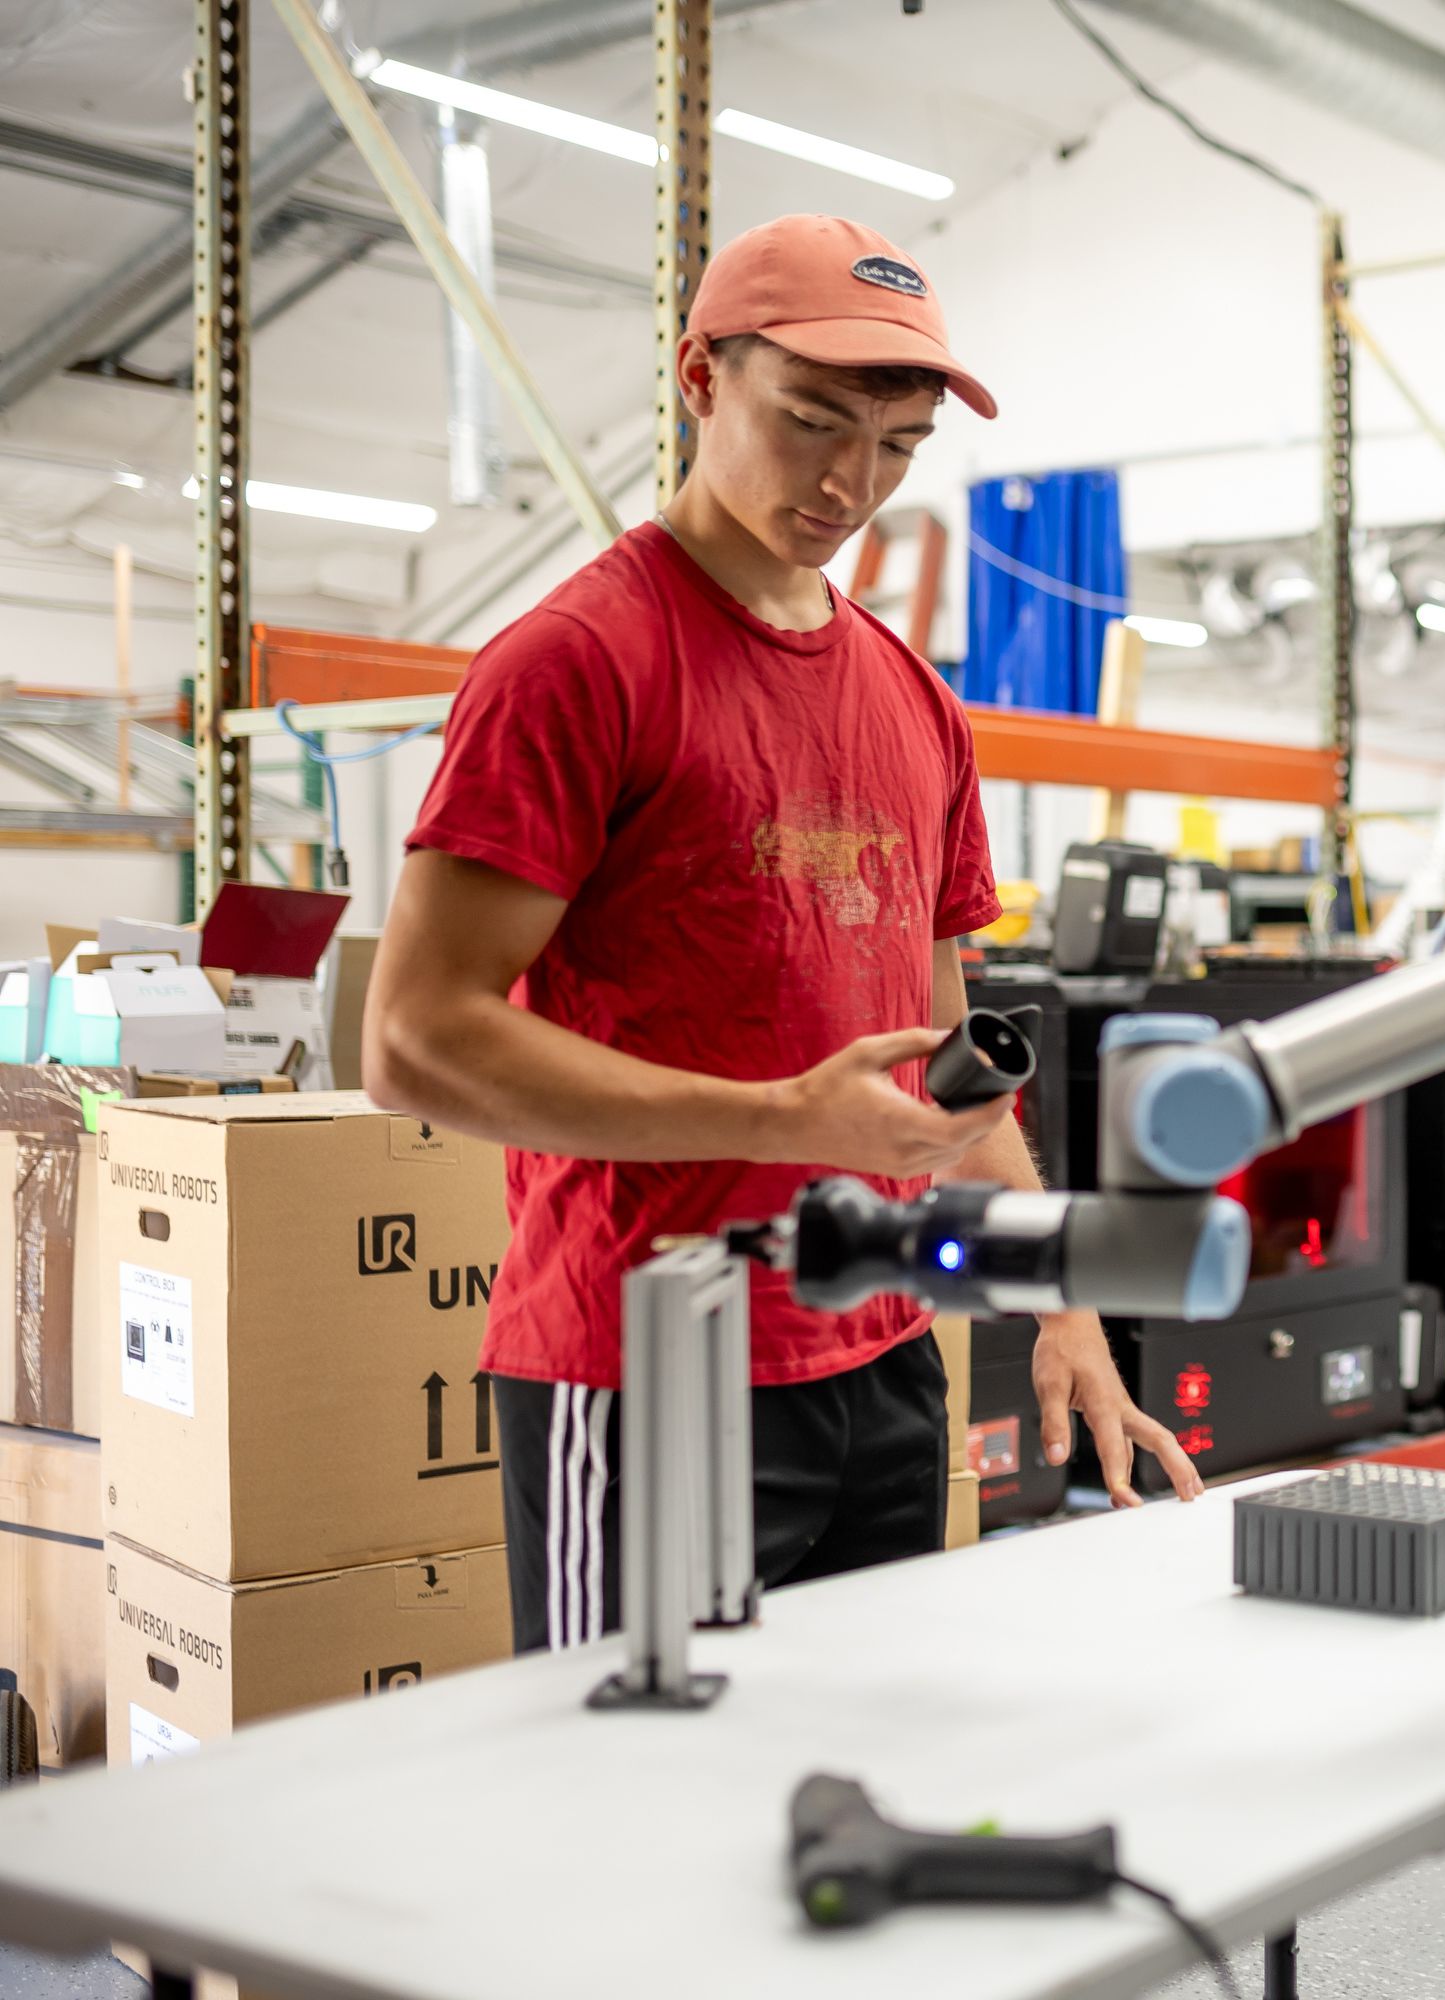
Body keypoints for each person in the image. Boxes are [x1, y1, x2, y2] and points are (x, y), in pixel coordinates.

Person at [365, 214, 1199, 1657]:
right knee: (645, 1821)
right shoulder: (577, 664)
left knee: (853, 1793)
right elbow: (412, 1040)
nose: (847, 483)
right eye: (809, 421)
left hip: (886, 1363)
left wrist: (1062, 1309)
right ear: (699, 375)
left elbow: (952, 1054)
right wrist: (776, 1116)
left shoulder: (913, 700)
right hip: (646, 1372)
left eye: (895, 446)